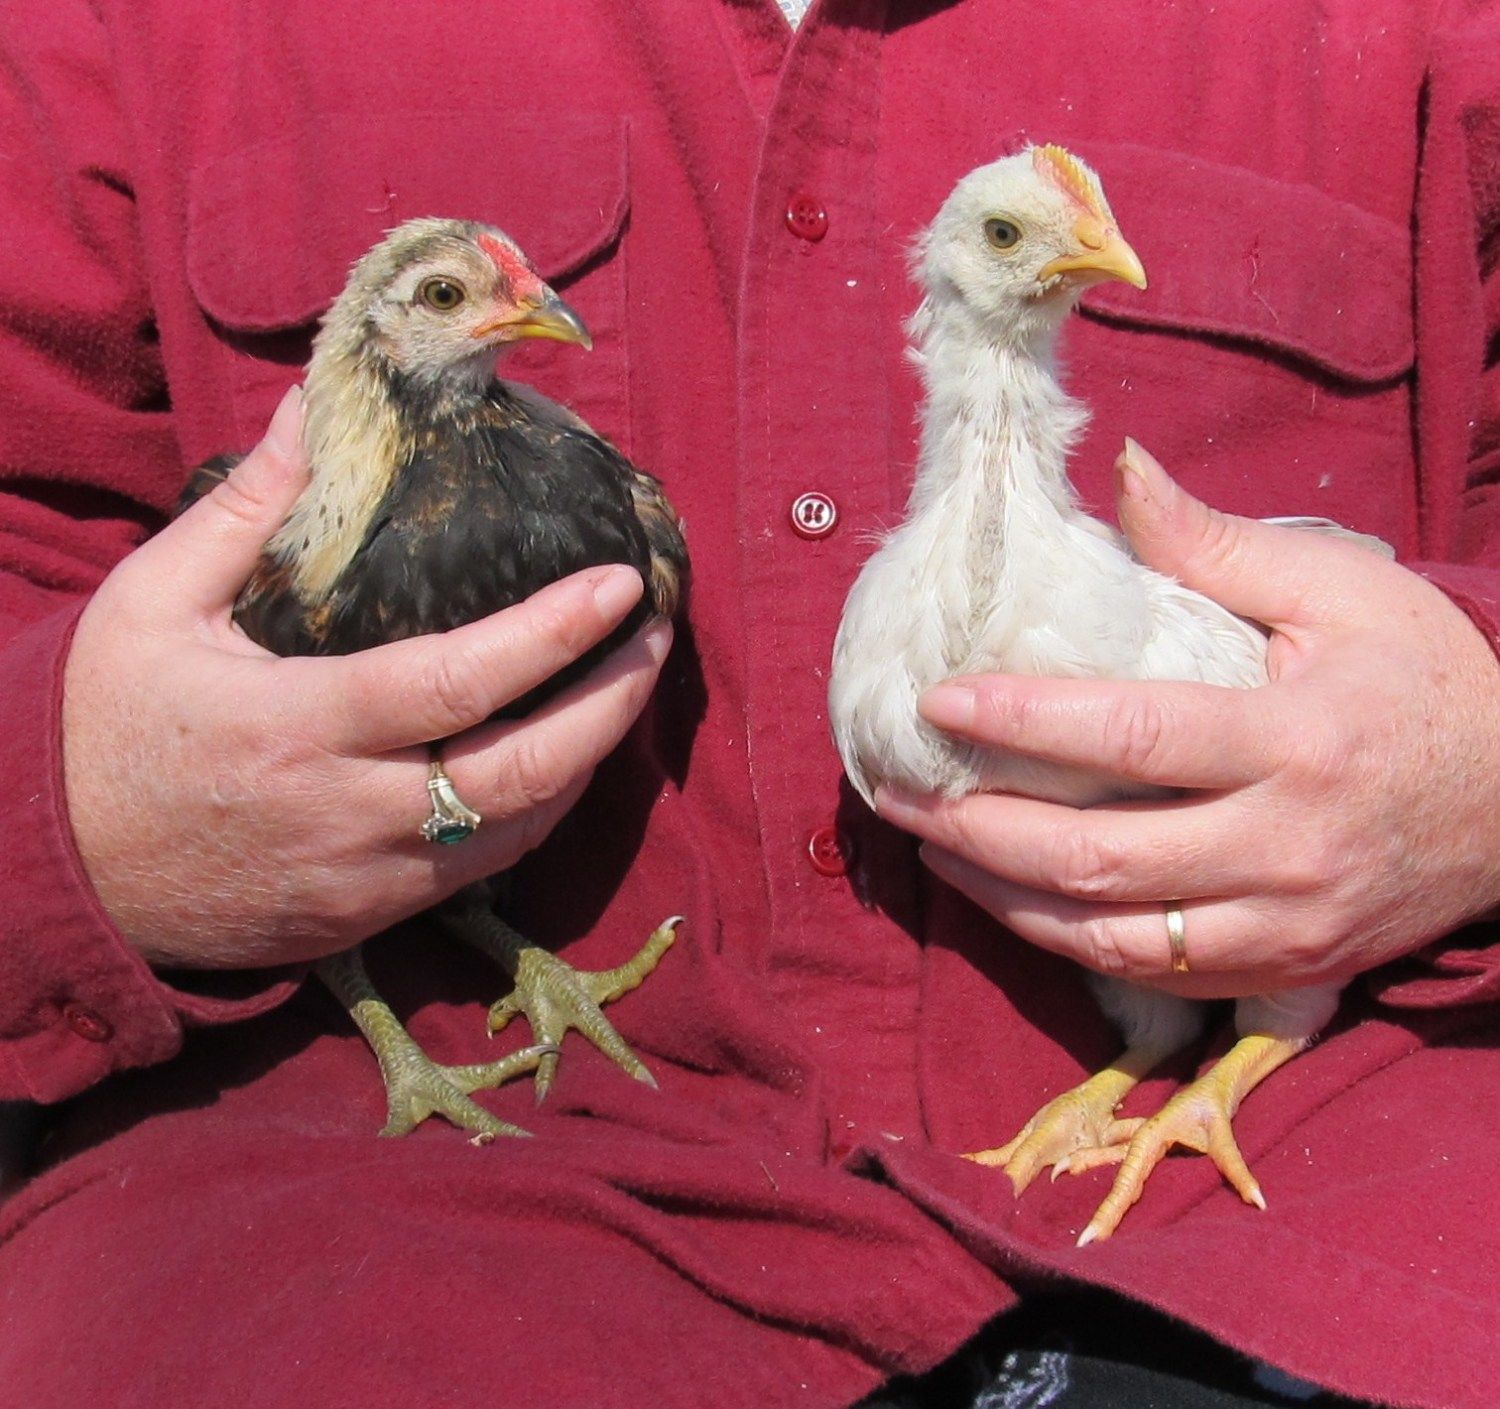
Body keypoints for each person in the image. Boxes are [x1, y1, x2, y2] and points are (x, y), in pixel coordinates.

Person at [0, 1, 1496, 1406]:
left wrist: (1481, 754)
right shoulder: (129, 32)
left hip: (1306, 1181)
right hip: (410, 1211)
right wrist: (73, 814)